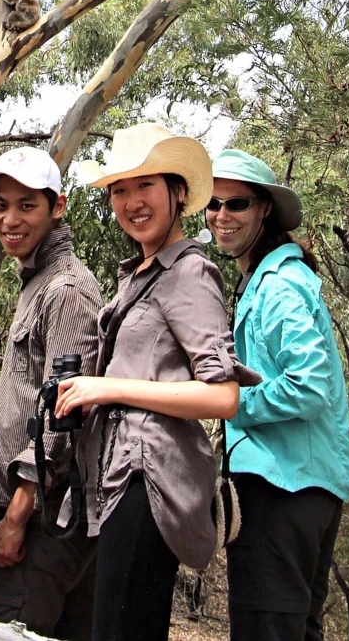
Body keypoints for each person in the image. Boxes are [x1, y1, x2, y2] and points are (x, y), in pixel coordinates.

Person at [53, 123, 260, 641]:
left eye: (145, 186)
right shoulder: (142, 273)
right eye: (119, 190)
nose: (131, 202)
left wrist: (107, 388)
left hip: (153, 482)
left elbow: (222, 395)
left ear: (179, 192)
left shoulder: (189, 272)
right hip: (119, 478)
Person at [206, 149, 349, 641]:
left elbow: (310, 387)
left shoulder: (279, 287)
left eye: (237, 204)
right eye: (214, 204)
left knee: (267, 626)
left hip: (282, 488)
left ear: (265, 209)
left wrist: (232, 404)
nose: (222, 216)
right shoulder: (268, 279)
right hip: (303, 485)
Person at [0, 147, 102, 639]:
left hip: (38, 523)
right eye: (1, 205)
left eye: (27, 205)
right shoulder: (36, 281)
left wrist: (18, 514)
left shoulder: (65, 290)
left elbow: (63, 418)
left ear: (58, 206)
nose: (10, 219)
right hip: (28, 515)